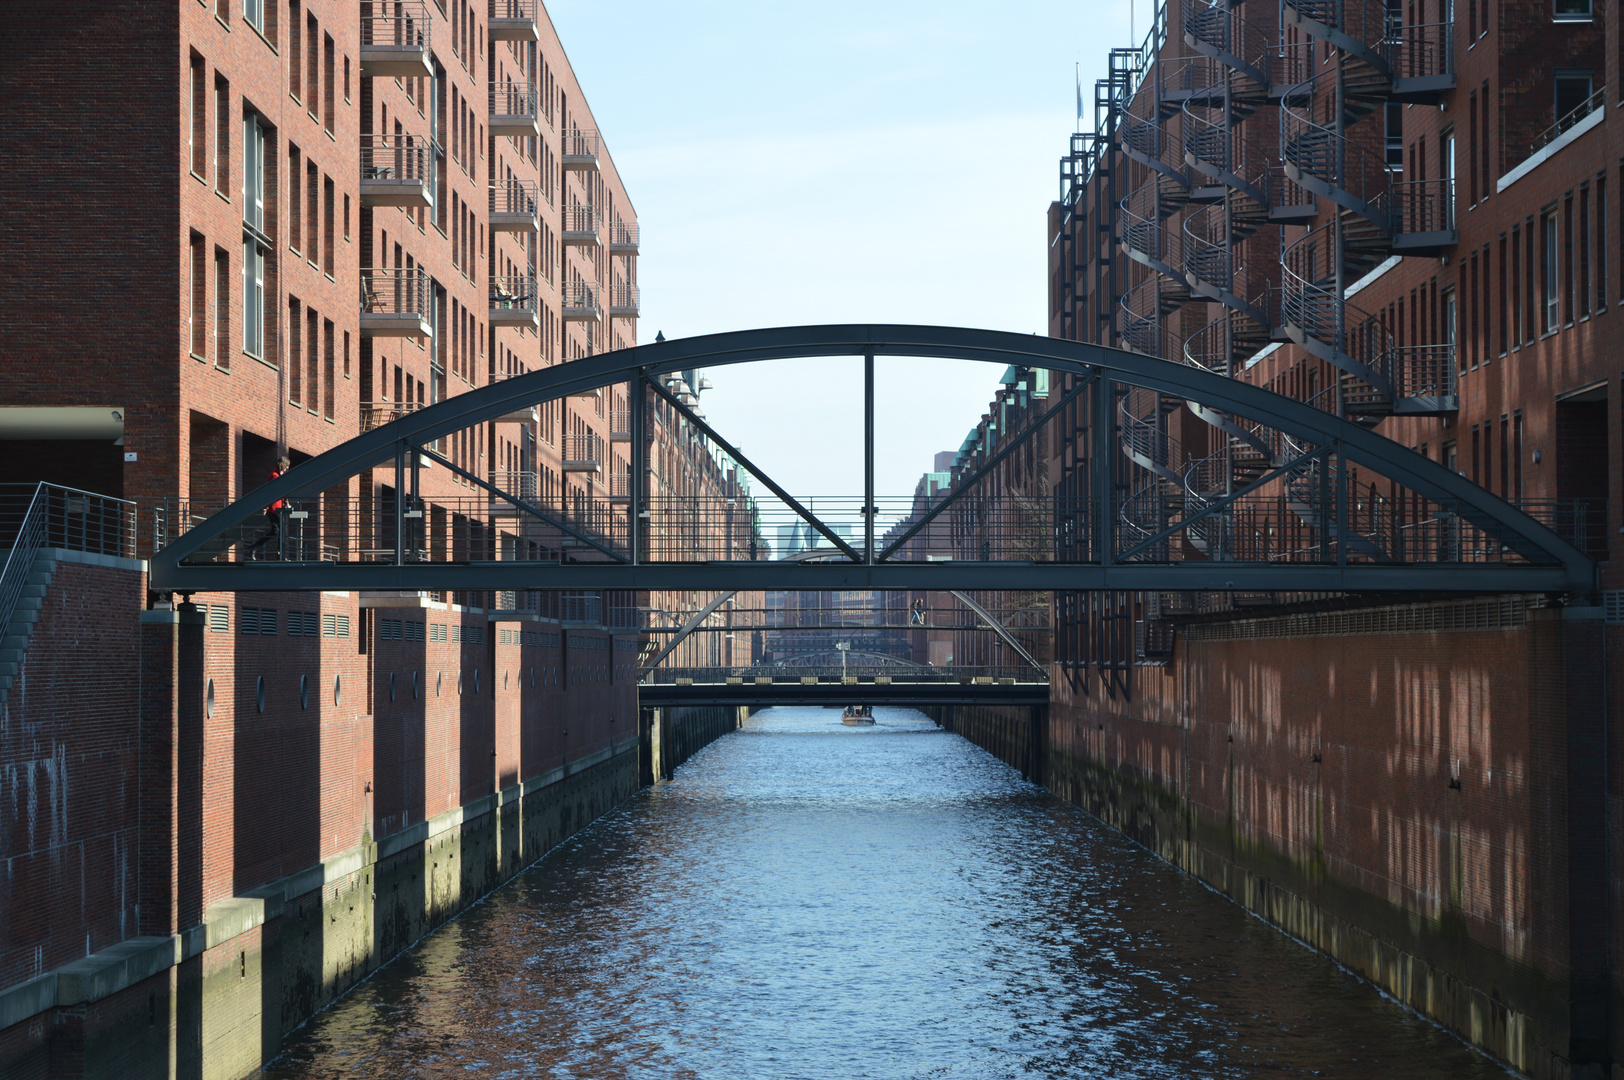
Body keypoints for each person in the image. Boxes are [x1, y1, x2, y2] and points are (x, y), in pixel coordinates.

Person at [248, 455, 291, 560]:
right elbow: (270, 492)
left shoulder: (278, 475)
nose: (287, 468)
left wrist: (286, 502)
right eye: (287, 466)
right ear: (283, 465)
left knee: (276, 531)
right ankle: (279, 555)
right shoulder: (275, 476)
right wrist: (266, 507)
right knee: (279, 530)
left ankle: (256, 547)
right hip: (273, 508)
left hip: (276, 508)